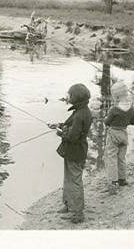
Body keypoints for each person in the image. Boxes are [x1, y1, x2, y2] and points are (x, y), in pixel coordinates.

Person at [49, 83, 92, 224]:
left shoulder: (80, 114)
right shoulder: (82, 111)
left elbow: (73, 136)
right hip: (74, 151)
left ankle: (77, 213)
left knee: (74, 180)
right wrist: (59, 125)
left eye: (69, 95)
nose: (67, 97)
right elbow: (72, 127)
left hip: (75, 151)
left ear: (76, 98)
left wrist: (60, 133)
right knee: (69, 178)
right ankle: (68, 204)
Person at [104, 81, 134, 194]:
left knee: (111, 157)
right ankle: (122, 179)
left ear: (116, 96)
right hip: (124, 134)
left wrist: (106, 118)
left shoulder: (114, 109)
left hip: (114, 134)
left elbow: (107, 122)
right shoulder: (131, 109)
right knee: (121, 157)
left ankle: (113, 182)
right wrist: (125, 120)